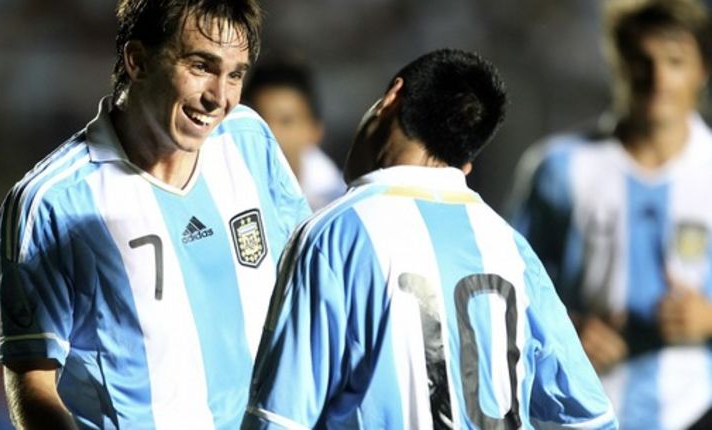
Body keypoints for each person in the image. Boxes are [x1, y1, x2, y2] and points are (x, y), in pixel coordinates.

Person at [242, 49, 616, 430]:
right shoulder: (510, 247)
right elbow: (592, 416)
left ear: (392, 97)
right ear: (464, 163)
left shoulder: (334, 234)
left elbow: (279, 419)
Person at [0, 1, 311, 429]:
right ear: (139, 60)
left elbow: (304, 290)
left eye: (235, 74)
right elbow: (34, 382)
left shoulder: (249, 140)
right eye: (202, 66)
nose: (220, 97)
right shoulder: (53, 203)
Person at [509, 0, 712, 428]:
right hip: (585, 409)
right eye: (642, 61)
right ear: (618, 64)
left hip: (697, 407)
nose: (658, 79)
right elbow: (507, 291)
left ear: (702, 71)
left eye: (675, 62)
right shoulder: (559, 168)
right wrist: (566, 330)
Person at [242, 60, 346, 210]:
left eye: (286, 121)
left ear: (315, 131)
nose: (271, 132)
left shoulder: (337, 200)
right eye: (261, 119)